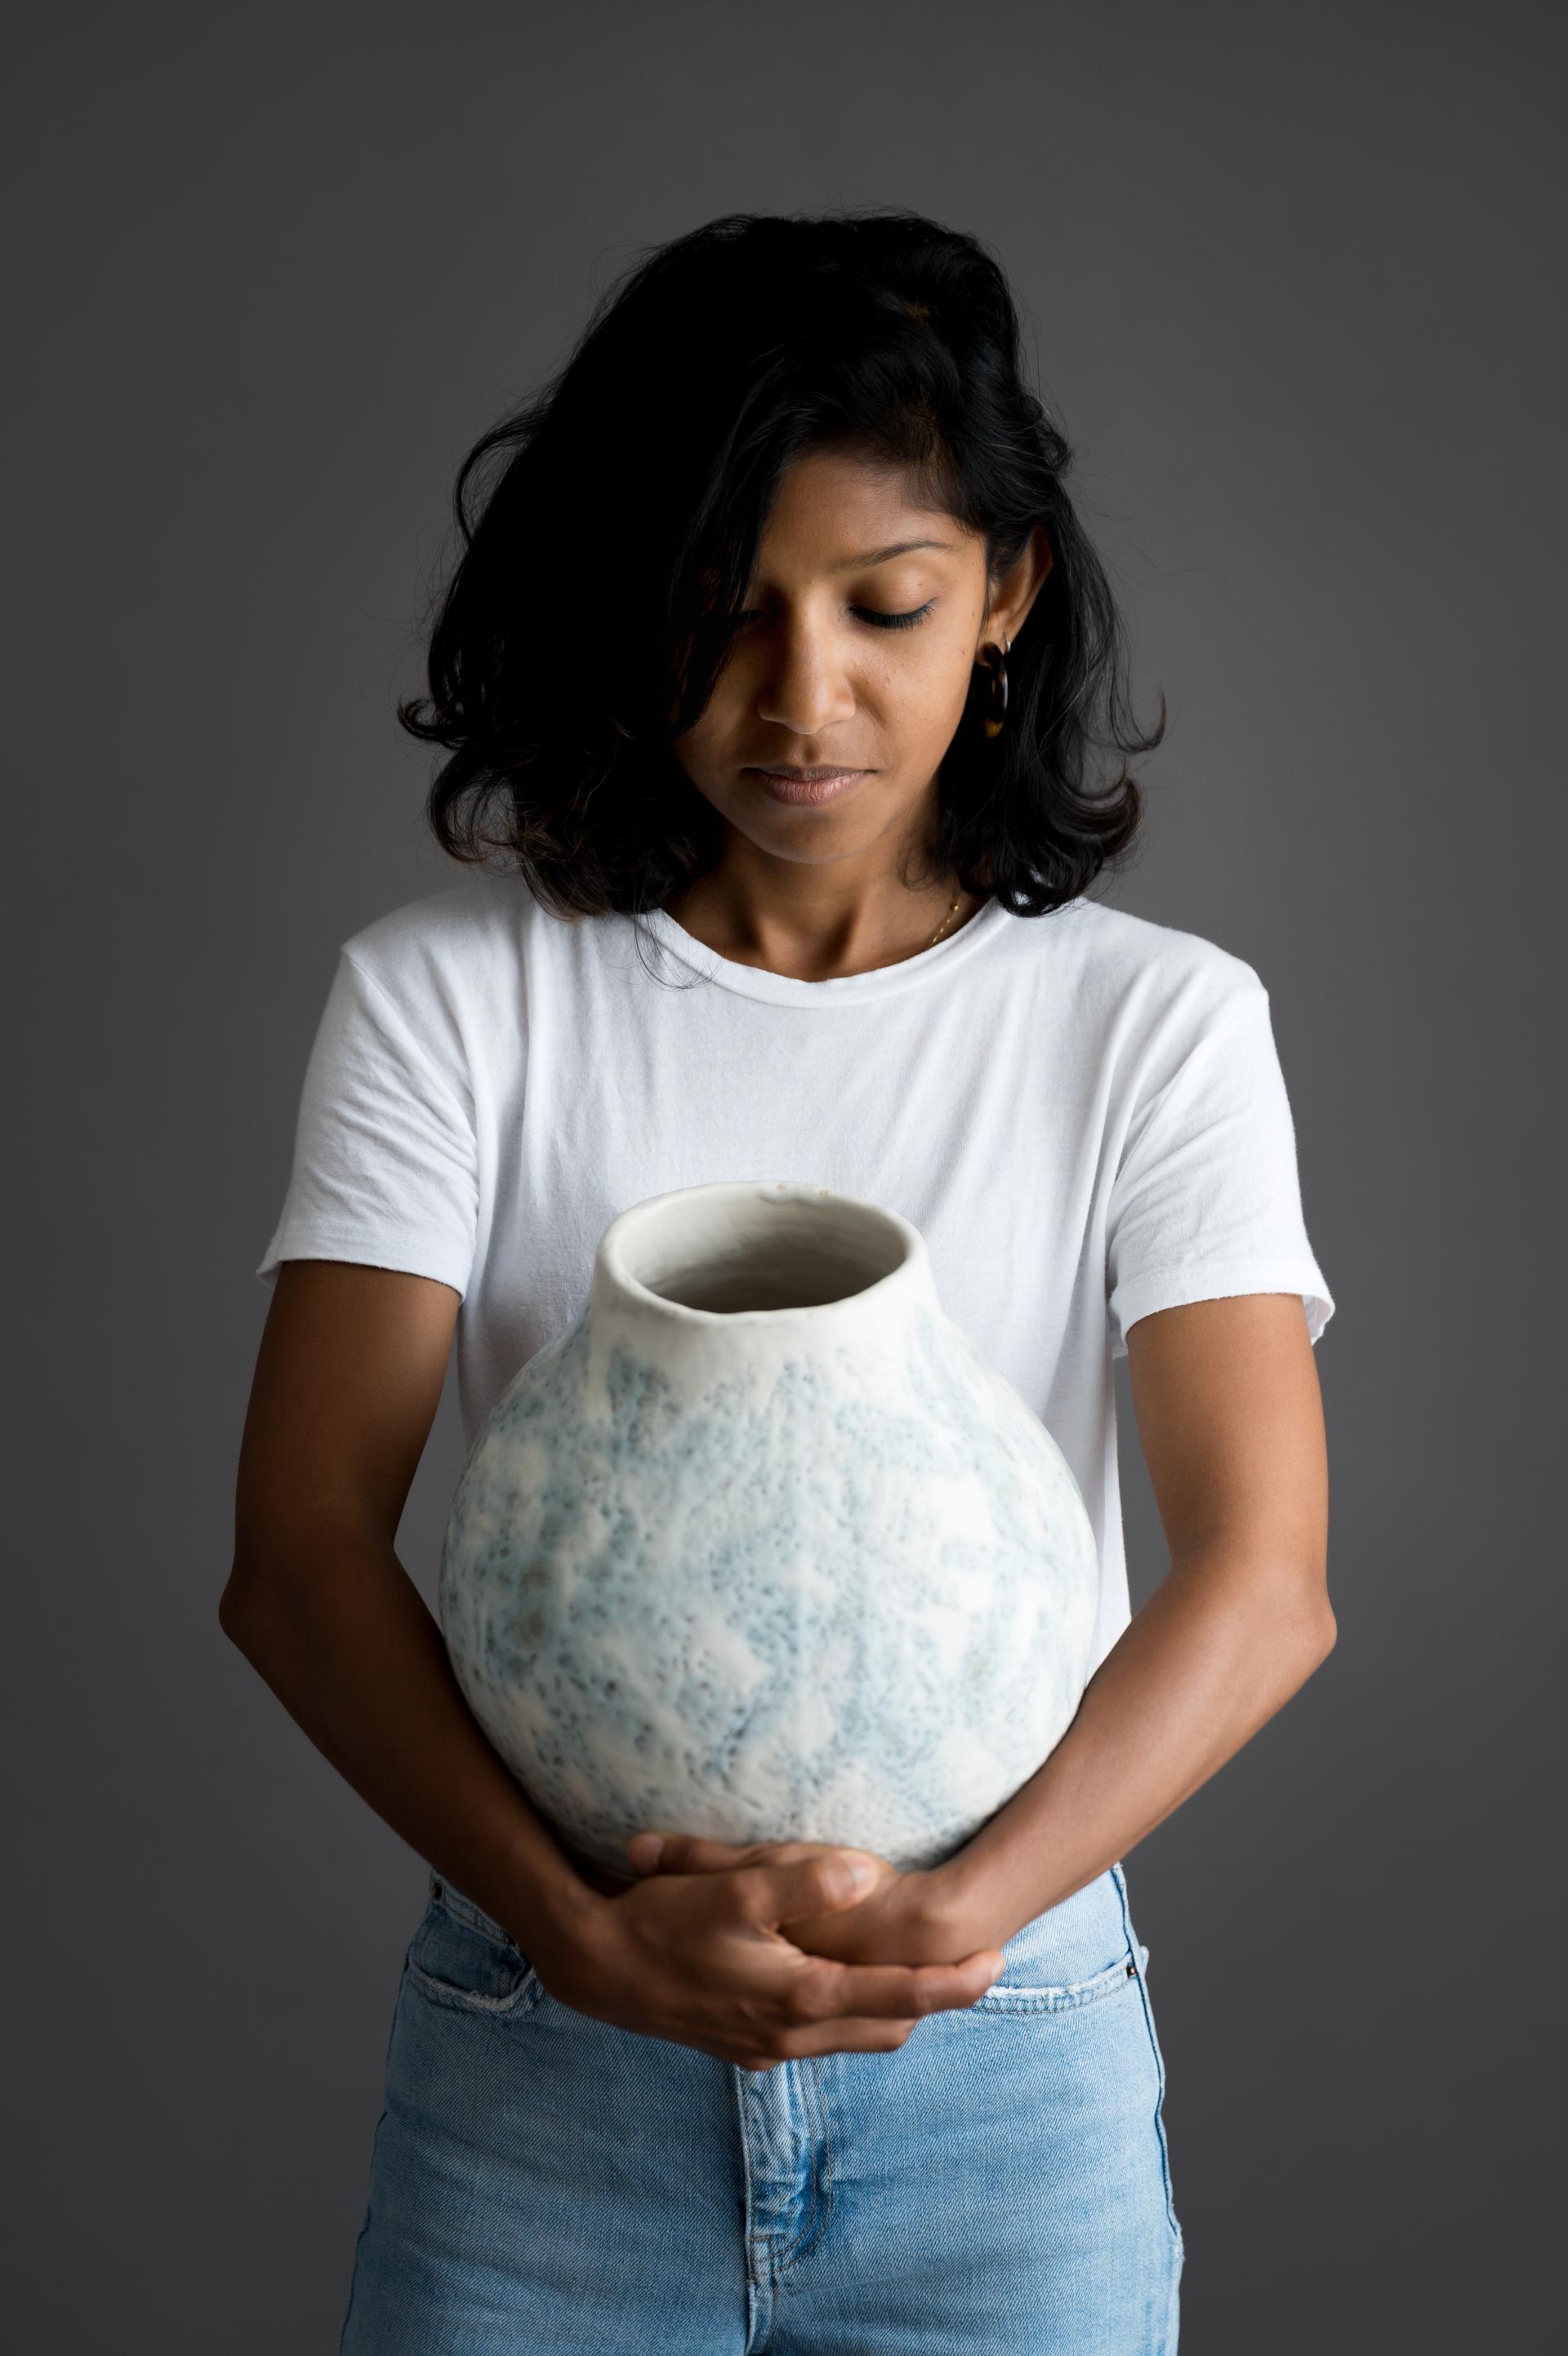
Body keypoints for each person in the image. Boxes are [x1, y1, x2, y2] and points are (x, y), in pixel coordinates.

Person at [224, 208, 1336, 2354]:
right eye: (719, 615)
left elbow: (1264, 1576)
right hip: (547, 2044)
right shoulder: (452, 1000)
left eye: (883, 607)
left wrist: (947, 1929)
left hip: (1002, 2058)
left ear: (1002, 597)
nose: (800, 699)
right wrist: (578, 1940)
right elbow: (296, 1554)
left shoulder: (1153, 1025)